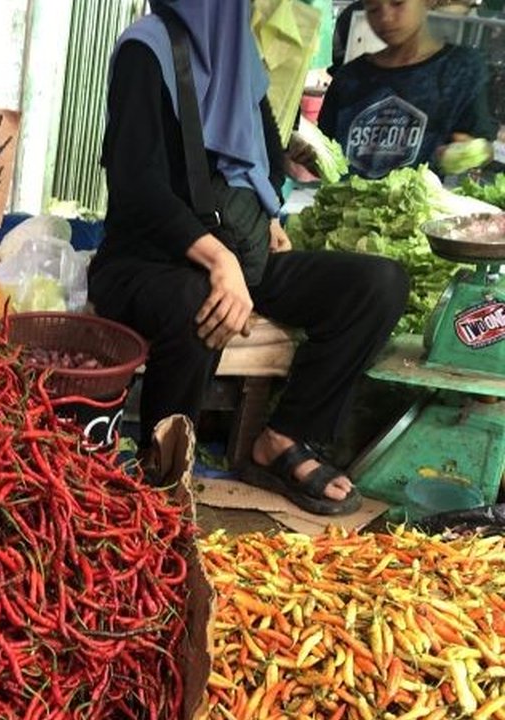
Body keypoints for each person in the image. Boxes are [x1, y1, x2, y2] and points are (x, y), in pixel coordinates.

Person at [91, 0, 410, 515]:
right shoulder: (145, 50)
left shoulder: (241, 56)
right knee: (199, 302)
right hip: (144, 263)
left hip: (238, 254)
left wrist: (269, 217)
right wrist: (218, 261)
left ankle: (283, 438)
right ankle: (164, 471)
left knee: (377, 284)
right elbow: (137, 187)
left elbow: (264, 155)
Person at [318, 0, 496, 178]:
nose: (385, 18)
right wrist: (309, 156)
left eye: (397, 3)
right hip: (343, 203)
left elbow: (484, 147)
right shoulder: (349, 77)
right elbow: (325, 151)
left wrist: (467, 151)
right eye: (373, 10)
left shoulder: (461, 69)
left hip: (418, 205)